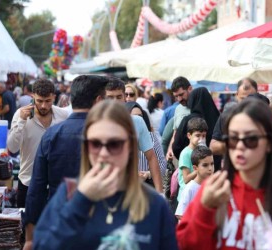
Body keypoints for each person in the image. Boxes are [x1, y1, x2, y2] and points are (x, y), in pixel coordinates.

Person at [33, 100, 177, 249]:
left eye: (114, 144)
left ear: (130, 147)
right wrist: (80, 201)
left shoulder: (154, 205)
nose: (103, 153)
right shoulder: (68, 195)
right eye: (95, 144)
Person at [177, 99, 272, 249]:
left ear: (269, 143)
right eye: (233, 138)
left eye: (250, 139)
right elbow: (183, 244)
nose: (240, 146)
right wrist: (205, 208)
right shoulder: (214, 189)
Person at [23, 75, 109, 250]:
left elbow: (36, 188)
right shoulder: (109, 137)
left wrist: (30, 238)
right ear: (99, 100)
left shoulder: (51, 135)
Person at [7, 79, 68, 208]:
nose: (43, 106)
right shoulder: (20, 115)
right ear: (32, 96)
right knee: (26, 226)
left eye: (48, 101)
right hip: (28, 183)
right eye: (39, 101)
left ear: (54, 97)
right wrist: (22, 121)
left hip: (55, 184)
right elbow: (12, 148)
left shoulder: (63, 115)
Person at [105, 78, 163, 193]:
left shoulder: (137, 122)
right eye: (110, 97)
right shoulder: (95, 124)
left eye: (119, 97)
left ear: (124, 99)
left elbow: (151, 157)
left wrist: (160, 193)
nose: (115, 102)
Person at [172, 87, 220, 169]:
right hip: (215, 169)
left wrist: (188, 159)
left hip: (193, 169)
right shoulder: (218, 118)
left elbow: (176, 146)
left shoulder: (188, 120)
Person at [210, 78, 257, 156]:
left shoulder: (264, 117)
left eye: (250, 98)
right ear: (237, 95)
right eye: (243, 99)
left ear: (257, 94)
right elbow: (213, 147)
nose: (246, 102)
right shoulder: (227, 116)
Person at [125, 101, 166, 185]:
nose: (138, 119)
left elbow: (161, 163)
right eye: (134, 116)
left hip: (147, 184)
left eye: (140, 116)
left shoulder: (151, 136)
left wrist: (148, 174)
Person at [175, 145, 214, 220]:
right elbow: (180, 214)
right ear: (195, 168)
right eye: (205, 165)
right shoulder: (190, 188)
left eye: (212, 164)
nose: (210, 168)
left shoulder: (212, 186)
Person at [177, 117, 208, 204]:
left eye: (203, 136)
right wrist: (200, 168)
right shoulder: (186, 153)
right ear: (189, 135)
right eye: (197, 135)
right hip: (186, 197)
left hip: (199, 194)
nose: (201, 139)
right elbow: (186, 179)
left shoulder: (204, 151)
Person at [166, 76, 193, 160]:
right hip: (179, 157)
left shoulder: (198, 106)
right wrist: (170, 148)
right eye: (176, 96)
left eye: (181, 94)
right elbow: (175, 132)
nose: (179, 99)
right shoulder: (178, 108)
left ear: (190, 89)